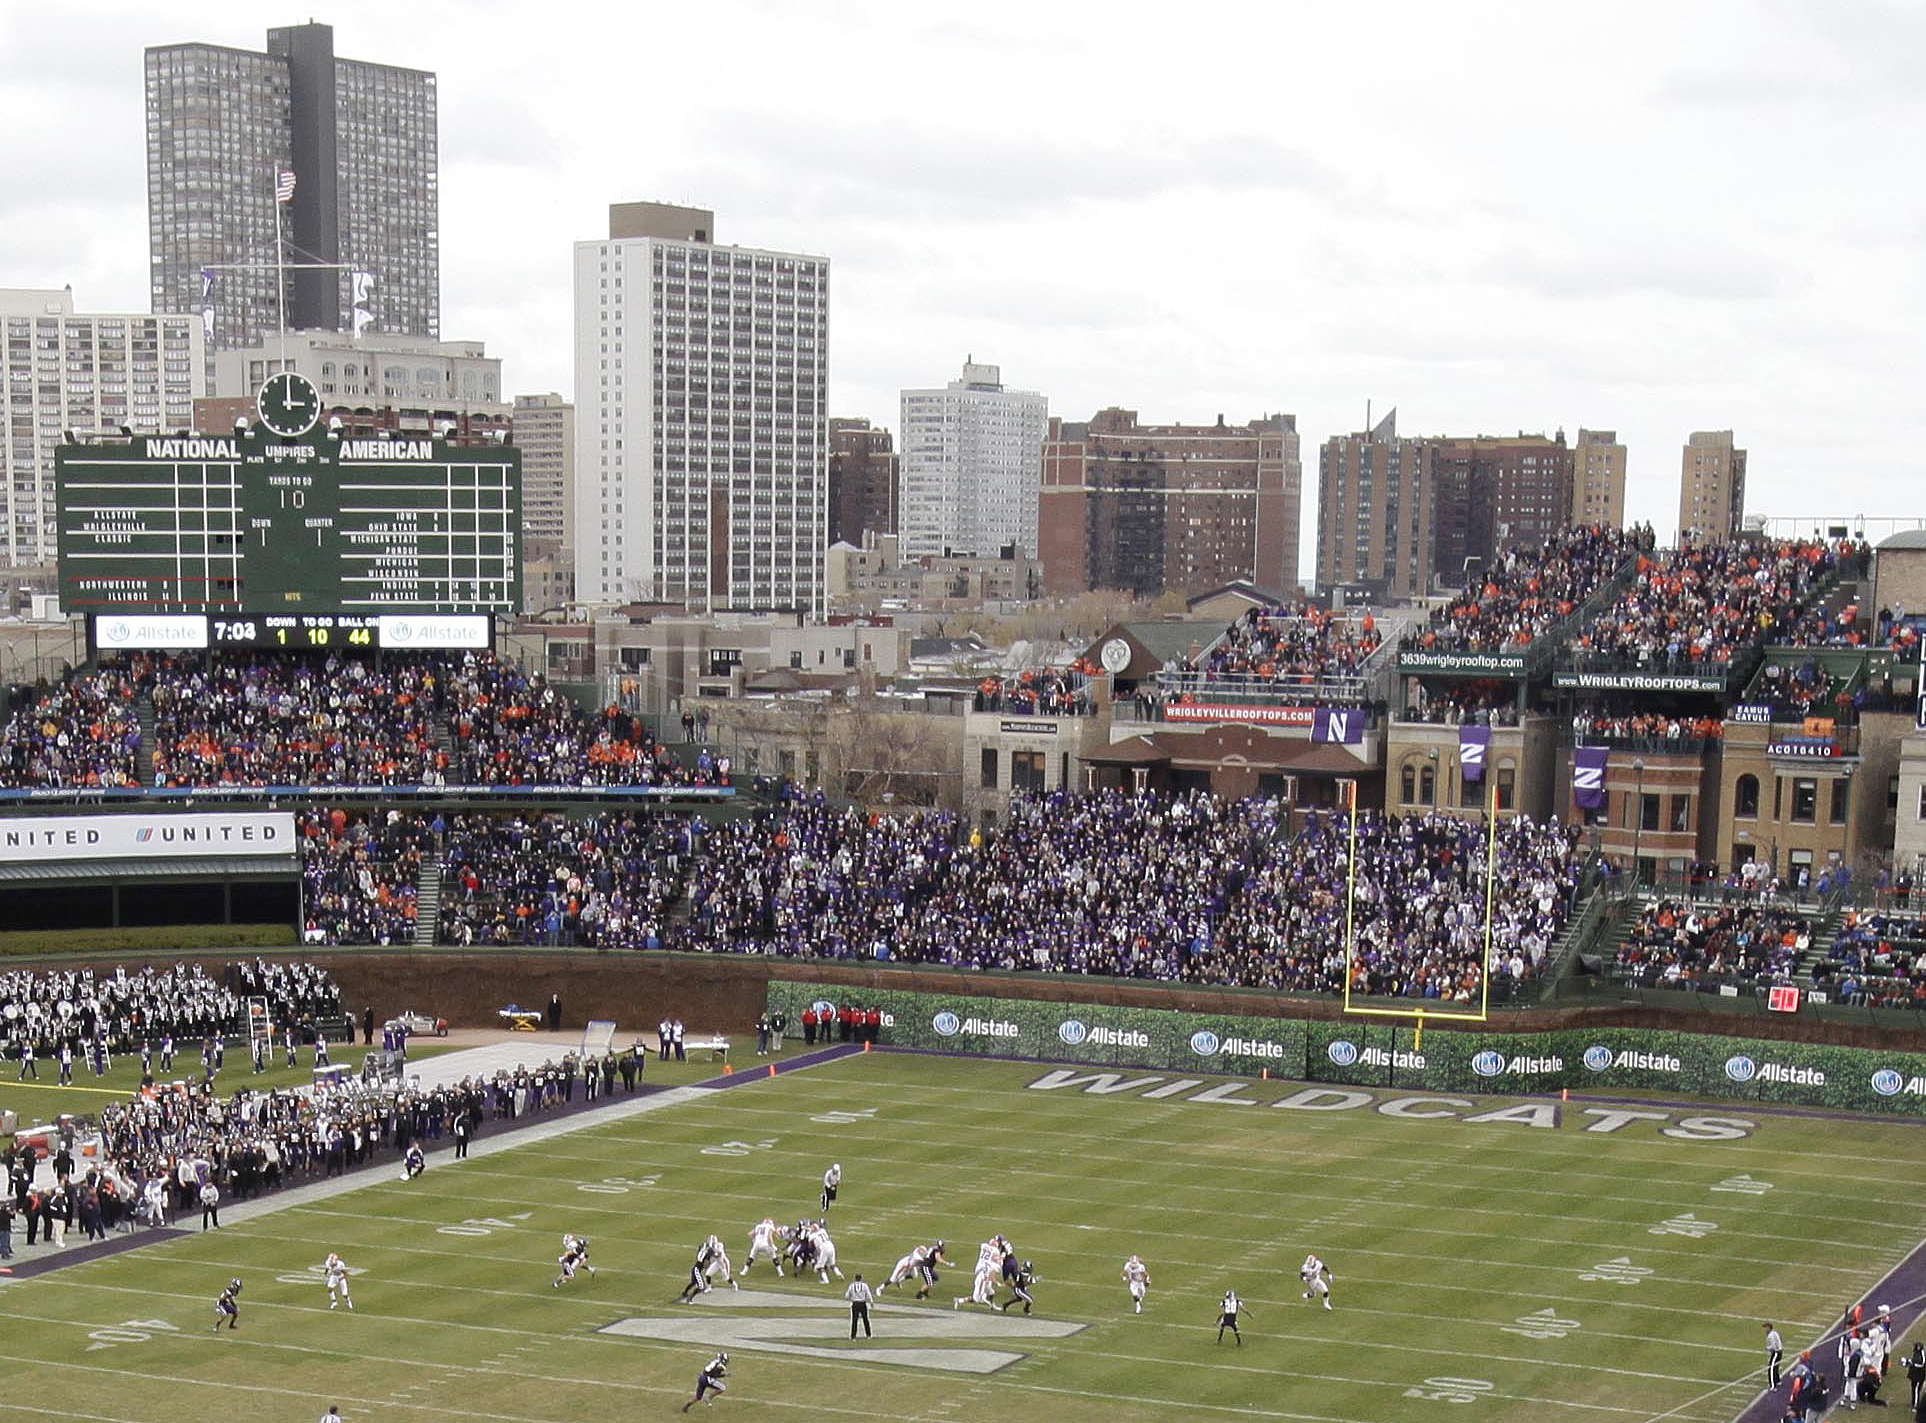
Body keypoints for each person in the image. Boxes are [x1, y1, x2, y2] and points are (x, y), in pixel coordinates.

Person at [845, 1273, 874, 1339]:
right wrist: (871, 1302)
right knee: (865, 1319)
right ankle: (868, 1335)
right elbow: (868, 1294)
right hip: (862, 1303)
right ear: (861, 1278)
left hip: (855, 1303)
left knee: (854, 1320)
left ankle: (853, 1336)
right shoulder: (864, 1285)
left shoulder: (851, 1286)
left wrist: (851, 1299)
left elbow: (846, 1296)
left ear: (855, 1279)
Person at [1909, 1342, 1925, 1411]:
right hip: (1914, 1374)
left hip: (1919, 1375)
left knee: (1916, 1390)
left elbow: (1922, 1364)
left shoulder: (1921, 1354)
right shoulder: (1916, 1353)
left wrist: (1913, 1364)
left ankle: (1916, 1405)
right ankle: (1913, 1403)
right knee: (1913, 1389)